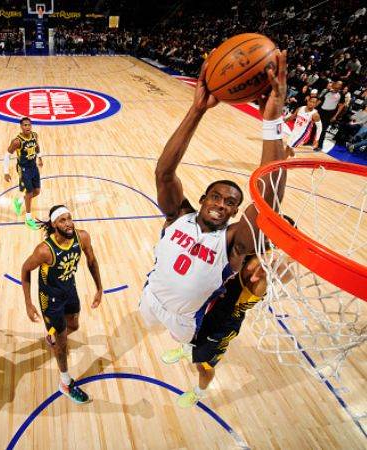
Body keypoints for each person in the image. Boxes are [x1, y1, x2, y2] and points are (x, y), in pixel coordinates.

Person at [139, 50, 289, 345]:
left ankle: (187, 348)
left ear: (235, 212)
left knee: (184, 343)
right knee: (147, 323)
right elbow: (164, 173)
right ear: (202, 199)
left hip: (185, 320)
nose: (221, 204)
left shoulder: (232, 242)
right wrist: (197, 110)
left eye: (230, 203)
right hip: (151, 297)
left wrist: (271, 122)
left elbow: (267, 204)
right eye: (216, 197)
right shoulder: (179, 216)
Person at [161, 234, 295, 407]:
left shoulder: (258, 281)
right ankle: (186, 349)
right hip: (209, 309)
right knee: (190, 335)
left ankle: (198, 393)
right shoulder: (245, 254)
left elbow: (286, 274)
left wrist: (282, 258)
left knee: (203, 367)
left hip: (222, 328)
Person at [21, 205, 103, 403]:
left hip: (69, 288)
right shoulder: (44, 250)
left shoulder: (82, 237)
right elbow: (25, 269)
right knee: (62, 342)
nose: (68, 224)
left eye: (69, 218)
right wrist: (28, 303)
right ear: (54, 225)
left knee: (74, 325)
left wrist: (99, 288)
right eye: (62, 220)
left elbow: (92, 261)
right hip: (50, 299)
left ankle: (53, 336)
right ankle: (65, 383)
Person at [3, 117, 44, 230]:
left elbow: (37, 147)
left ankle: (19, 201)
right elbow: (7, 155)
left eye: (29, 125)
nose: (27, 127)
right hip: (24, 169)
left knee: (37, 191)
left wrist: (40, 158)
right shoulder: (17, 141)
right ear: (21, 127)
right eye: (25, 125)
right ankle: (28, 219)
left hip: (33, 167)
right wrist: (6, 172)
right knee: (29, 193)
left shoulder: (34, 135)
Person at [316, 81, 345, 150]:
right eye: (337, 84)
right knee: (315, 126)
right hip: (321, 111)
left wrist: (335, 116)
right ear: (334, 85)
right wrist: (314, 109)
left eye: (340, 85)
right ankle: (310, 141)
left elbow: (341, 106)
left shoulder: (341, 95)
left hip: (329, 113)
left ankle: (320, 146)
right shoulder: (327, 92)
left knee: (323, 129)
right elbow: (319, 101)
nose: (338, 86)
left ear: (341, 87)